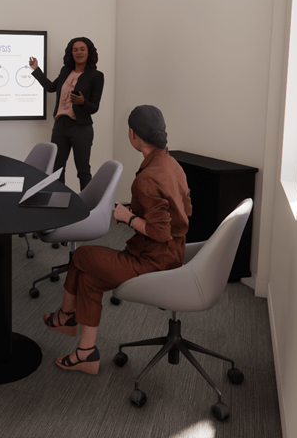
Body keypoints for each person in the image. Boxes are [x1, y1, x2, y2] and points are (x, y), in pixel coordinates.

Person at [41, 105, 192, 375]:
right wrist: (138, 214)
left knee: (82, 256)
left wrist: (128, 217)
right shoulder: (173, 165)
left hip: (153, 262)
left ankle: (65, 316)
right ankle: (86, 353)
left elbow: (160, 232)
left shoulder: (147, 178)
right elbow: (184, 212)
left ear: (132, 135)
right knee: (88, 278)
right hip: (172, 254)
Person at [28, 37, 104, 190]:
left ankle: (86, 203)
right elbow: (50, 87)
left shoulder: (96, 76)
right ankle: (58, 200)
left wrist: (82, 102)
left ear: (89, 52)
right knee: (56, 169)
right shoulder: (65, 71)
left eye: (82, 49)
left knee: (83, 170)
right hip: (60, 126)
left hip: (81, 127)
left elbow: (94, 107)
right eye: (75, 50)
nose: (78, 52)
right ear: (71, 53)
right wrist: (36, 69)